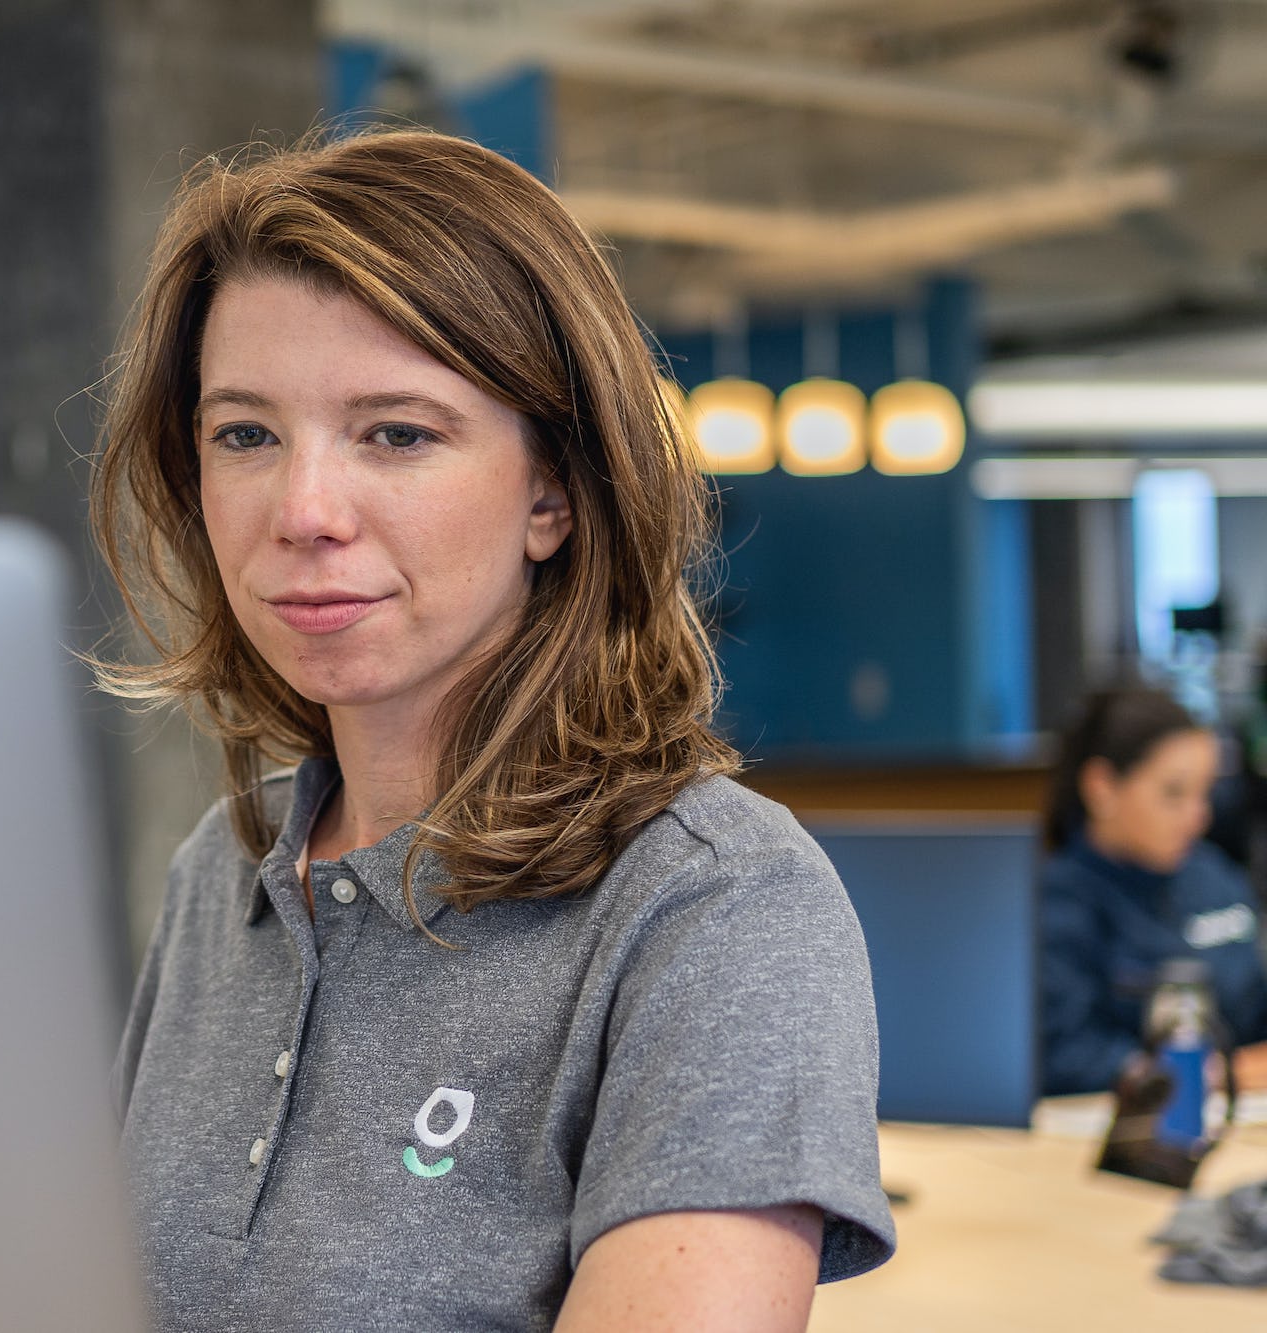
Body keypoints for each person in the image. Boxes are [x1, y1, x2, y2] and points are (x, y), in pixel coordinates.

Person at [91, 128, 894, 1331]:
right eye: (244, 434)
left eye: (396, 433)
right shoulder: (227, 869)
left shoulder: (716, 907)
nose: (302, 510)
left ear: (552, 492)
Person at [1039, 686, 1267, 1096]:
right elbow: (1066, 1054)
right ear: (1102, 787)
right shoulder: (1056, 901)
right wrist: (1211, 1076)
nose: (1198, 817)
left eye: (1205, 791)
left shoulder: (1215, 876)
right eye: (1174, 793)